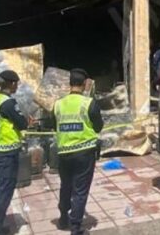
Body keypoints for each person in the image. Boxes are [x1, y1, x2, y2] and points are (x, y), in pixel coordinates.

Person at [54, 69, 104, 234]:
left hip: (63, 152)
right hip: (84, 152)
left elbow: (54, 125)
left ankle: (63, 218)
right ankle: (75, 227)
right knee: (80, 190)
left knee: (66, 186)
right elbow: (98, 126)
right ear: (84, 84)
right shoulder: (89, 103)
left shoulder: (58, 104)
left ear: (70, 84)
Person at [0, 70, 29, 234]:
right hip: (7, 152)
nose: (17, 86)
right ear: (11, 84)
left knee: (2, 189)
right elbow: (22, 123)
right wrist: (25, 121)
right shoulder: (8, 103)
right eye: (16, 83)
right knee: (5, 190)